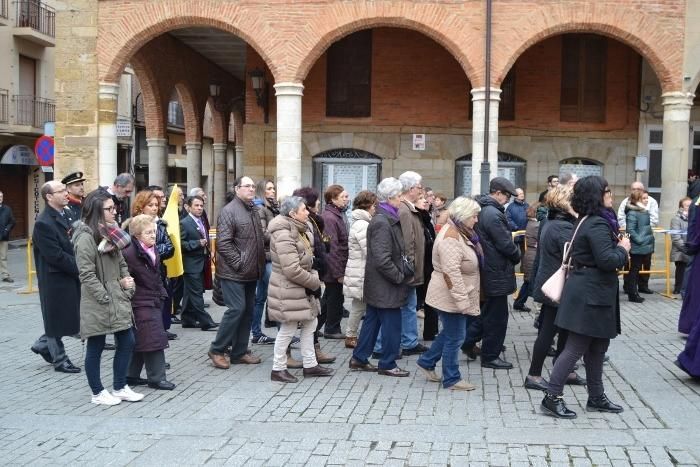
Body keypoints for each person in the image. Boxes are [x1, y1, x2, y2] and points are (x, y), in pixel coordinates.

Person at [541, 176, 630, 419]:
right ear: (596, 195)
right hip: (590, 294)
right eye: (607, 190)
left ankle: (596, 396)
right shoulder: (597, 223)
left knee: (599, 346)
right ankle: (552, 396)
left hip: (593, 292)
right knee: (575, 348)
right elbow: (607, 260)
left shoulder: (588, 220)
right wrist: (623, 248)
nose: (611, 194)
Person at [73, 190, 144, 406]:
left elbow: (122, 264)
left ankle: (120, 386)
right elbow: (86, 273)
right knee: (96, 344)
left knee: (127, 340)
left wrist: (127, 282)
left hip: (117, 297)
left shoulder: (112, 233)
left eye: (115, 208)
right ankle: (97, 392)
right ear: (97, 211)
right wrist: (104, 295)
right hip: (99, 300)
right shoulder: (85, 237)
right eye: (109, 209)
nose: (115, 212)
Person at [416, 197, 482, 391]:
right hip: (450, 295)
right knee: (456, 337)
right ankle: (452, 378)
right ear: (463, 216)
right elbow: (451, 273)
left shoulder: (460, 231)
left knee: (451, 333)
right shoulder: (451, 237)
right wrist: (463, 302)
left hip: (454, 293)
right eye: (474, 216)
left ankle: (427, 361)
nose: (476, 220)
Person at [268, 196, 334, 382]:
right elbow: (291, 269)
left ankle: (310, 364)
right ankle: (278, 368)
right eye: (304, 209)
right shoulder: (283, 232)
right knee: (288, 328)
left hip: (301, 288)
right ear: (292, 213)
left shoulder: (298, 229)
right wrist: (314, 282)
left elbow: (305, 257)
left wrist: (313, 265)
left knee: (310, 323)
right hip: (289, 288)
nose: (308, 212)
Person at [350, 177, 411, 377]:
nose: (402, 199)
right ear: (392, 197)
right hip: (385, 284)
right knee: (392, 325)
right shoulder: (382, 222)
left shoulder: (386, 218)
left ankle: (359, 358)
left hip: (380, 284)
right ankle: (387, 363)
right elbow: (382, 258)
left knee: (372, 322)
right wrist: (398, 276)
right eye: (400, 195)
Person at [525, 186, 585, 392]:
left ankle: (564, 370)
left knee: (561, 329)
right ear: (565, 203)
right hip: (557, 287)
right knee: (548, 331)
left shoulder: (550, 221)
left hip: (550, 283)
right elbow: (574, 255)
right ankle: (534, 375)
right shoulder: (562, 226)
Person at [463, 177, 520, 369]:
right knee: (497, 317)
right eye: (506, 195)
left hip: (490, 268)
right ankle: (490, 356)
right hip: (495, 270)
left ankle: (468, 341)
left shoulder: (484, 210)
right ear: (497, 193)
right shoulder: (493, 214)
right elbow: (505, 243)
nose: (508, 199)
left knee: (488, 312)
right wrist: (517, 254)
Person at [208, 176, 265, 369]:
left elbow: (257, 238)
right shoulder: (228, 211)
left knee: (248, 311)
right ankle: (217, 349)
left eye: (253, 186)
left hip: (251, 272)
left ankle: (239, 352)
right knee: (236, 309)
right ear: (236, 188)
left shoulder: (253, 210)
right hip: (233, 272)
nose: (251, 189)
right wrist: (239, 262)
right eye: (247, 186)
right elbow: (223, 243)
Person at [29, 181, 81, 373]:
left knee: (66, 316)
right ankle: (60, 359)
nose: (66, 193)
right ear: (49, 197)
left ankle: (43, 344)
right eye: (61, 191)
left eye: (66, 190)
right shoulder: (43, 223)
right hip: (55, 278)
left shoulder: (67, 213)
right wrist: (80, 267)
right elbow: (55, 256)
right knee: (54, 318)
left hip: (69, 273)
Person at [122, 214, 175, 390]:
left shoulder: (152, 249)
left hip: (153, 299)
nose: (153, 235)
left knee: (142, 338)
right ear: (137, 235)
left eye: (154, 231)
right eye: (148, 232)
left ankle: (130, 375)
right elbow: (123, 277)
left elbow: (156, 275)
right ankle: (157, 378)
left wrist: (162, 293)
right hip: (139, 301)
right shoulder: (129, 252)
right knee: (154, 338)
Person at [293, 186, 336, 364]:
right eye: (315, 200)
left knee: (312, 318)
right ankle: (284, 359)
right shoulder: (300, 223)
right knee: (291, 323)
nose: (319, 203)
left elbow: (318, 244)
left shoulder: (315, 221)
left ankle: (313, 353)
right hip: (304, 276)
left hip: (313, 273)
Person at [127, 190, 176, 339]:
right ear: (142, 207)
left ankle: (160, 331)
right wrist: (151, 249)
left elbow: (170, 248)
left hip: (159, 270)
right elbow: (135, 248)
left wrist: (154, 249)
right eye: (150, 205)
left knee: (162, 302)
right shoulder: (134, 225)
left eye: (156, 205)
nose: (155, 208)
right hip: (141, 274)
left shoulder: (160, 225)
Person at [343, 190, 377, 348]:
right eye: (374, 205)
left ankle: (352, 334)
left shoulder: (362, 222)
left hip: (360, 269)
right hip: (360, 270)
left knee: (360, 305)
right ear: (368, 206)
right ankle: (351, 336)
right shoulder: (362, 224)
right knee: (358, 306)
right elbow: (369, 249)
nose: (376, 208)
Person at [179, 195, 218, 331]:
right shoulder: (184, 223)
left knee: (189, 293)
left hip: (201, 262)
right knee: (196, 294)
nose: (200, 208)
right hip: (191, 265)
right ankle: (205, 322)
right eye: (196, 205)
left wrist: (208, 251)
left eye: (201, 205)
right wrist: (197, 243)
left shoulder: (201, 221)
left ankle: (187, 319)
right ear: (188, 207)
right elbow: (181, 244)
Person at [320, 184, 350, 339]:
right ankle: (331, 329)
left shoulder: (336, 215)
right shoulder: (330, 218)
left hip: (337, 265)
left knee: (329, 298)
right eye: (344, 197)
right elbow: (332, 248)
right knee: (334, 299)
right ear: (333, 199)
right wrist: (338, 273)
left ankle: (317, 326)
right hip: (334, 266)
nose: (347, 199)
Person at [251, 179, 279, 345]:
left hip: (270, 257)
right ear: (262, 191)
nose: (273, 191)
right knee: (274, 296)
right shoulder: (260, 209)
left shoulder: (272, 208)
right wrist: (280, 233)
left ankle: (256, 333)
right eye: (269, 188)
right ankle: (283, 334)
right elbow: (262, 235)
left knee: (260, 297)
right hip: (266, 257)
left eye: (273, 188)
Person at [415, 191, 438, 340]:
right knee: (414, 303)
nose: (426, 201)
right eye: (421, 199)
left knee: (431, 301)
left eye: (426, 199)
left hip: (429, 266)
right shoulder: (414, 218)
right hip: (418, 266)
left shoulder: (427, 218)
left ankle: (430, 332)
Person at [625, 190, 655, 303]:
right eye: (644, 198)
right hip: (638, 246)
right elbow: (630, 230)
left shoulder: (644, 211)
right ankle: (632, 294)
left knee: (637, 270)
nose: (647, 200)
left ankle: (634, 292)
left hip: (644, 245)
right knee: (634, 270)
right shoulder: (633, 212)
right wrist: (640, 240)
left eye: (647, 198)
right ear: (637, 199)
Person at [513, 203, 539, 312]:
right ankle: (519, 303)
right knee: (529, 282)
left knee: (528, 282)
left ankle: (519, 303)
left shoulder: (531, 223)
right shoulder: (536, 225)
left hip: (530, 254)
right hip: (533, 255)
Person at [507, 188, 530, 311]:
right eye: (520, 193)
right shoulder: (510, 207)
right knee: (515, 256)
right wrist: (516, 229)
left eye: (523, 193)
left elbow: (531, 216)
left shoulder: (527, 205)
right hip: (516, 235)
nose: (522, 195)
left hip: (526, 236)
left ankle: (524, 274)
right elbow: (508, 219)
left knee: (526, 258)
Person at [670, 197, 692, 295]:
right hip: (681, 250)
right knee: (681, 269)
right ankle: (678, 288)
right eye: (687, 206)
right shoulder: (676, 219)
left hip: (692, 248)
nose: (690, 208)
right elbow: (675, 238)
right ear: (681, 208)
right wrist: (686, 249)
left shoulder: (694, 218)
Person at [0, 190, 16, 282]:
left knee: (3, 257)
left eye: (1, 196)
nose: (0, 198)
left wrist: (6, 230)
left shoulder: (7, 209)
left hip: (3, 237)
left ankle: (5, 275)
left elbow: (12, 221)